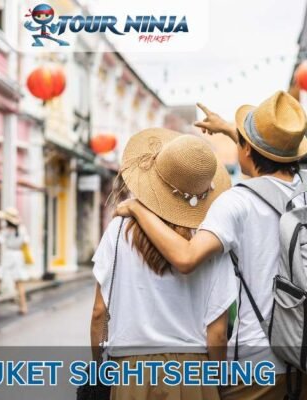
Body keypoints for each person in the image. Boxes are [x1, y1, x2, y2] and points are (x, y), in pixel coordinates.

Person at [115, 91, 307, 399]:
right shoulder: (303, 191)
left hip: (255, 366)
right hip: (300, 355)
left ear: (246, 149)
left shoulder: (236, 202)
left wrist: (138, 209)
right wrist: (231, 131)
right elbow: (269, 156)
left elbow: (187, 258)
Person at [91, 128, 237, 400]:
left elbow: (100, 311)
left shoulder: (119, 230)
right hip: (193, 373)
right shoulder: (209, 242)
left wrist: (98, 368)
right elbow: (217, 334)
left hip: (131, 372)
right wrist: (217, 382)